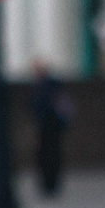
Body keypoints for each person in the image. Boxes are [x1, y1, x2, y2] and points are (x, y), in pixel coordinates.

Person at [29, 60, 72, 199]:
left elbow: (36, 107)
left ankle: (49, 185)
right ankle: (50, 185)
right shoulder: (52, 86)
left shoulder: (44, 87)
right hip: (52, 127)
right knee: (51, 156)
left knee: (47, 157)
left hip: (48, 126)